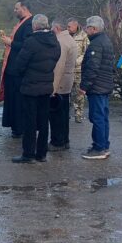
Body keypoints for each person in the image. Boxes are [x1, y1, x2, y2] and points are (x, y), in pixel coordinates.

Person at [10, 15, 61, 163]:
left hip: (30, 87)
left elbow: (20, 64)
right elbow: (56, 58)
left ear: (35, 26)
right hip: (46, 86)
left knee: (30, 122)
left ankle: (28, 154)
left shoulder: (31, 42)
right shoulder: (54, 41)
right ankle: (41, 154)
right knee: (44, 121)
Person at [80, 16, 115, 160]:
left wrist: (84, 86)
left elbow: (92, 68)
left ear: (93, 29)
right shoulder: (106, 41)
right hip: (104, 85)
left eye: (87, 28)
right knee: (103, 117)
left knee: (97, 117)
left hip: (97, 86)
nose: (85, 30)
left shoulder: (96, 44)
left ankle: (99, 148)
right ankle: (103, 145)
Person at [0, 0, 35, 137]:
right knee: (12, 99)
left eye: (16, 8)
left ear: (24, 8)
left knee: (18, 100)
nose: (14, 11)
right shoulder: (22, 22)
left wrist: (11, 42)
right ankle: (14, 125)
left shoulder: (29, 24)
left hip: (19, 70)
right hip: (12, 69)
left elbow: (27, 46)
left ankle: (19, 127)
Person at [48, 19, 77, 151]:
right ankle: (65, 140)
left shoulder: (60, 42)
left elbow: (58, 67)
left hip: (59, 84)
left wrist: (53, 89)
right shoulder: (70, 39)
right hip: (67, 82)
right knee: (64, 114)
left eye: (52, 28)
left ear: (57, 28)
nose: (50, 30)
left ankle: (57, 142)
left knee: (56, 115)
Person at [68, 18, 90, 123]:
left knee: (79, 94)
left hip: (78, 69)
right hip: (66, 69)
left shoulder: (83, 36)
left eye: (69, 27)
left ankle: (78, 114)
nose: (68, 28)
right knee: (66, 92)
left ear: (75, 26)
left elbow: (87, 52)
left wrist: (78, 61)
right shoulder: (66, 36)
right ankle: (66, 113)